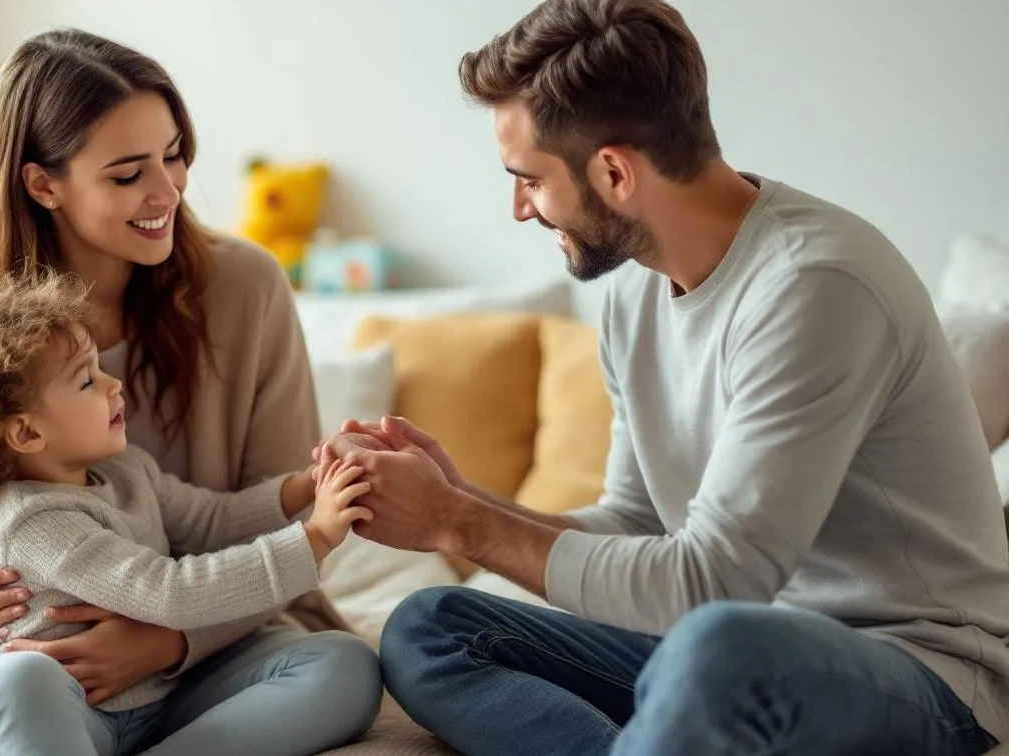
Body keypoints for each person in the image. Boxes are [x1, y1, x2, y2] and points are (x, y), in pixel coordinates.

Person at [316, 1, 1009, 754]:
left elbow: (710, 585)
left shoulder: (816, 286)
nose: (519, 208)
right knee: (432, 628)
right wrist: (458, 500)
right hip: (726, 654)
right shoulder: (634, 290)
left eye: (528, 179)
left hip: (921, 677)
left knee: (720, 645)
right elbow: (637, 524)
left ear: (613, 171)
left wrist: (458, 524)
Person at [0, 27, 358, 755]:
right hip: (36, 673)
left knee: (341, 667)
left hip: (195, 662)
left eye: (175, 155)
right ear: (43, 184)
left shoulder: (245, 287)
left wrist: (168, 642)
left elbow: (235, 517)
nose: (168, 190)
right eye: (128, 173)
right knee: (19, 690)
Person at [0, 275, 381, 756]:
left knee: (343, 662)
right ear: (27, 434)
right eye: (86, 381)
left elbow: (210, 521)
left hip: (152, 702)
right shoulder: (28, 521)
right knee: (21, 683)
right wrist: (316, 536)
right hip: (46, 705)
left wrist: (304, 487)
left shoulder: (126, 469)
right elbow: (170, 591)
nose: (113, 384)